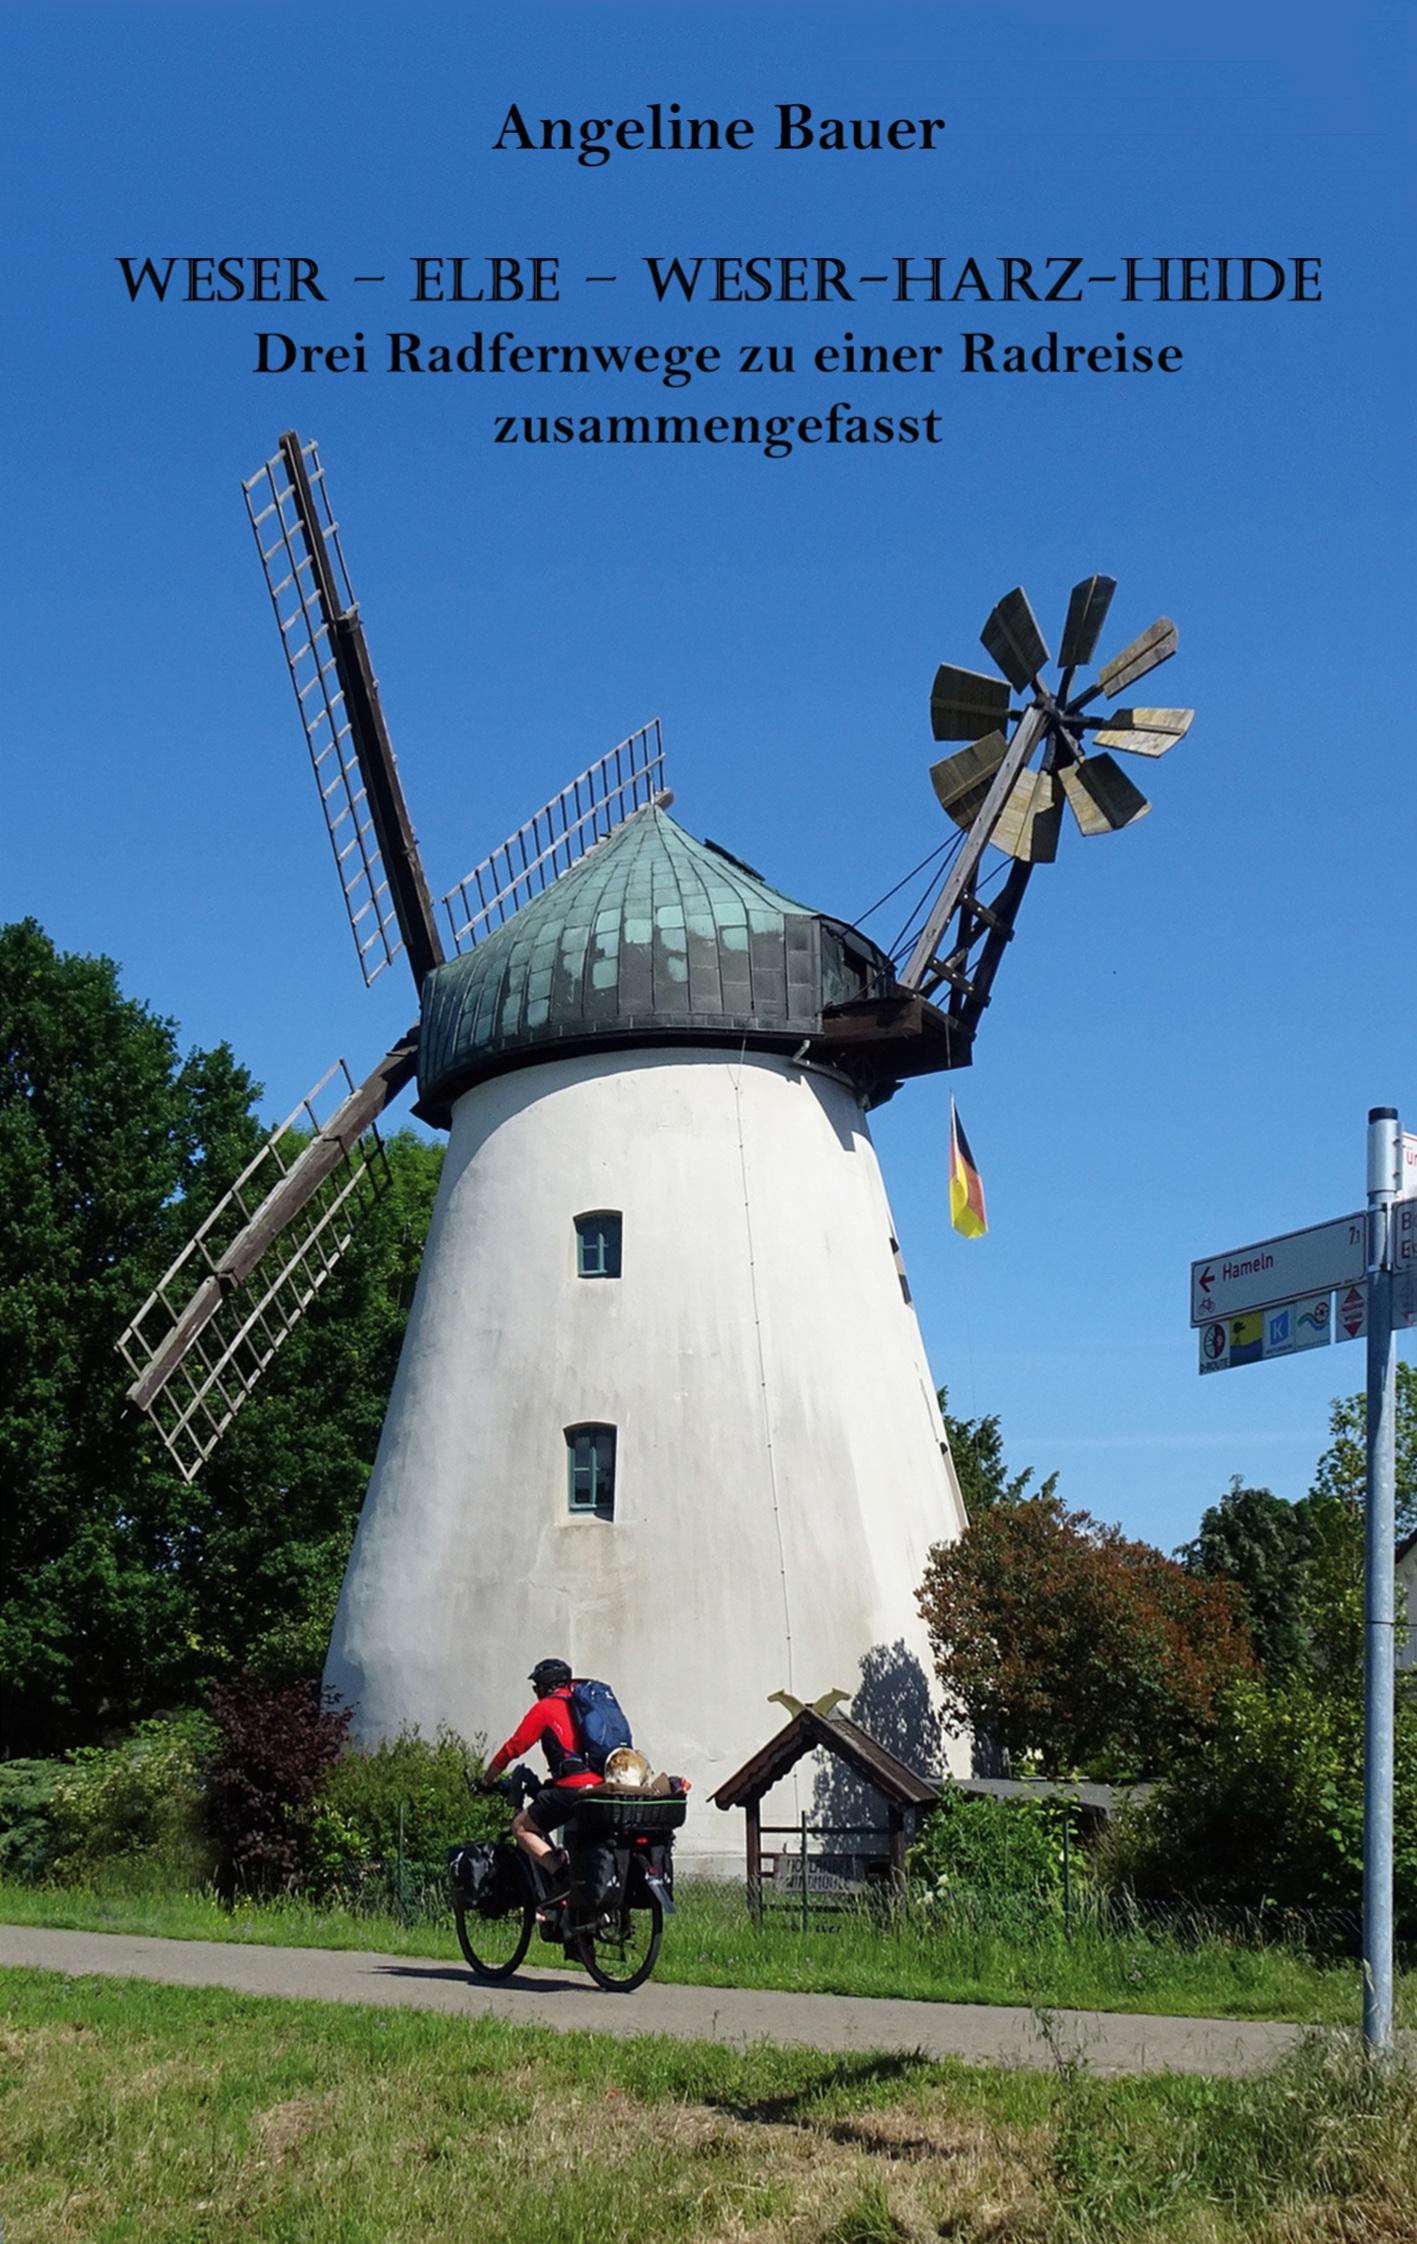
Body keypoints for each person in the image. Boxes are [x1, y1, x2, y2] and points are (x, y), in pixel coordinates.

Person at [484, 1658, 602, 1899]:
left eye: (535, 1687)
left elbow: (513, 1748)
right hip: (600, 1786)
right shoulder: (585, 1706)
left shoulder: (545, 1708)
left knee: (520, 1826)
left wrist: (487, 1779)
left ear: (544, 1687)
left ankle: (561, 1878)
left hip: (572, 1788)